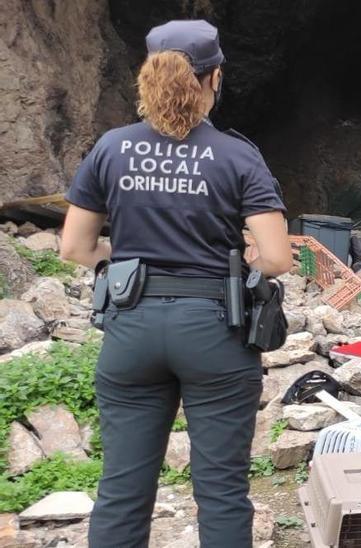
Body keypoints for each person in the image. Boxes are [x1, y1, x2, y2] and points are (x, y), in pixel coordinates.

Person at [59, 20, 290, 547]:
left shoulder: (112, 148)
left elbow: (73, 248)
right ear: (214, 79)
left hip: (131, 328)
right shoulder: (236, 155)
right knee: (222, 491)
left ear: (147, 78)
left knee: (121, 490)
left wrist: (121, 253)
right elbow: (276, 259)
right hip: (214, 332)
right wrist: (243, 253)